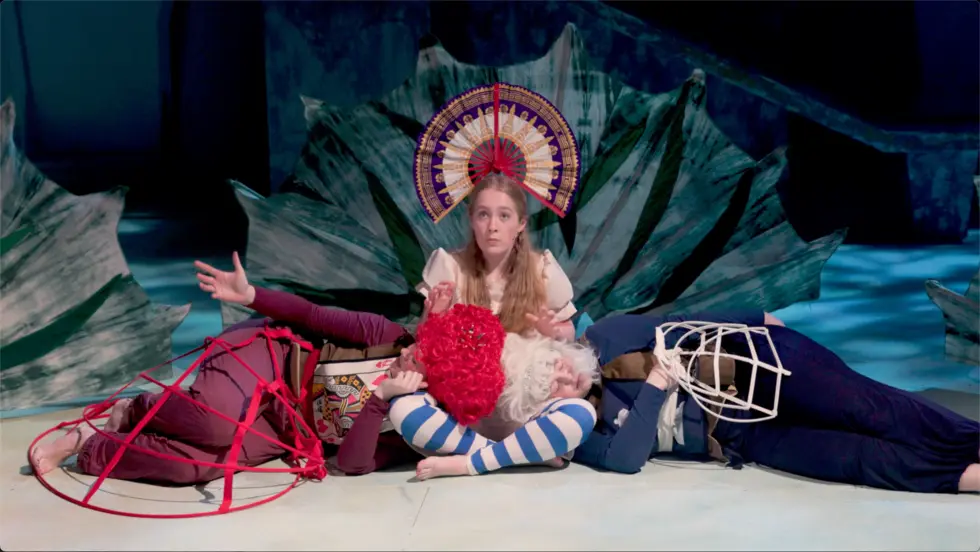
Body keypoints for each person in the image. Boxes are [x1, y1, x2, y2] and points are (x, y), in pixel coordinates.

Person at [29, 253, 469, 482]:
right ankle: (138, 408)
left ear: (434, 384)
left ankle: (91, 446)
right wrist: (251, 295)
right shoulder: (386, 335)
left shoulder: (415, 426)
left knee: (199, 467)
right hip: (271, 356)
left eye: (420, 359)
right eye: (420, 343)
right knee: (217, 423)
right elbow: (312, 315)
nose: (409, 352)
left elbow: (351, 465)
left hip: (286, 425)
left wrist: (380, 399)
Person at [491, 310, 980, 494]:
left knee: (872, 409)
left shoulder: (605, 336)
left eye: (553, 363)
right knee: (853, 460)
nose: (564, 375)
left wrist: (757, 318)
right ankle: (966, 479)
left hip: (757, 367)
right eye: (549, 385)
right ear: (541, 406)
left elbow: (682, 318)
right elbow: (626, 459)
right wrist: (658, 384)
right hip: (742, 435)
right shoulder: (580, 434)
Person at [384, 333, 600, 481]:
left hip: (537, 423)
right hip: (484, 435)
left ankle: (473, 463)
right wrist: (391, 391)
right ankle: (520, 457)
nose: (403, 352)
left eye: (414, 349)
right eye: (412, 361)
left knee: (581, 415)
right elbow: (410, 415)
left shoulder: (504, 348)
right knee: (402, 411)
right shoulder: (427, 390)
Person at [418, 174, 577, 342]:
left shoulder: (542, 271)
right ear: (472, 220)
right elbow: (422, 340)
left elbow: (570, 332)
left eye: (504, 216)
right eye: (483, 215)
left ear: (521, 223)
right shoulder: (450, 269)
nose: (492, 226)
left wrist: (552, 332)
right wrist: (434, 317)